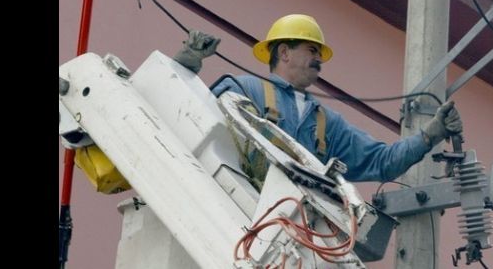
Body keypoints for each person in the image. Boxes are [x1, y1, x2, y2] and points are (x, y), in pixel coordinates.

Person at [173, 13, 462, 183]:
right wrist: (187, 64)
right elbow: (195, 120)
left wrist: (431, 134)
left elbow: (382, 161)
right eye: (312, 50)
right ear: (284, 52)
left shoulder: (326, 123)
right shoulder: (245, 88)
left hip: (291, 229)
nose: (319, 60)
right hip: (236, 203)